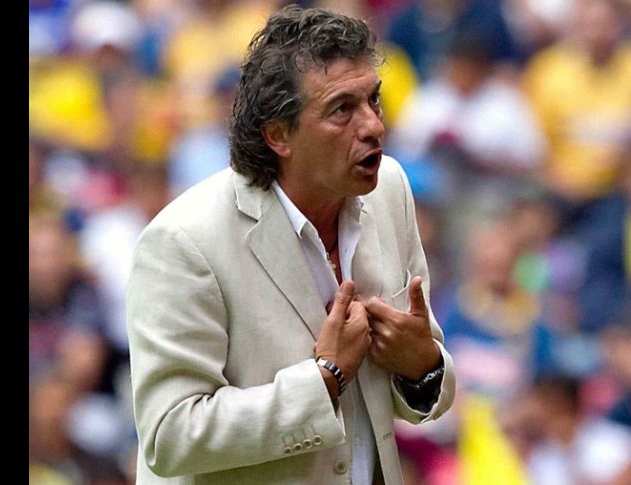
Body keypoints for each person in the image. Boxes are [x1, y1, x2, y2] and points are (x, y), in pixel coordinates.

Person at [126, 5, 456, 485]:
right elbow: (169, 436)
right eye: (342, 109)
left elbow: (423, 387)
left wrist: (421, 365)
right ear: (278, 135)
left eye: (373, 100)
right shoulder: (182, 241)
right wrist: (323, 379)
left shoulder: (389, 187)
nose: (372, 126)